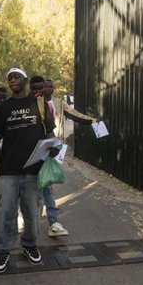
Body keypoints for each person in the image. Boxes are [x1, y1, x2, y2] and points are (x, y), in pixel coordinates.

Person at [0, 67, 56, 273]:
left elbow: (50, 133)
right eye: (9, 77)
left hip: (33, 170)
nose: (12, 79)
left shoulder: (39, 104)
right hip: (9, 170)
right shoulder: (2, 108)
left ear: (25, 80)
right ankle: (3, 249)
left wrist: (53, 148)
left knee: (32, 212)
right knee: (6, 213)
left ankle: (29, 245)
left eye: (17, 76)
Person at [40, 79, 99, 237]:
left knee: (49, 184)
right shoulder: (35, 103)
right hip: (39, 148)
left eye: (51, 86)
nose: (48, 89)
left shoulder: (59, 103)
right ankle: (40, 219)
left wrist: (92, 121)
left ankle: (52, 221)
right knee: (40, 184)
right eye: (46, 86)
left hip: (57, 148)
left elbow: (74, 114)